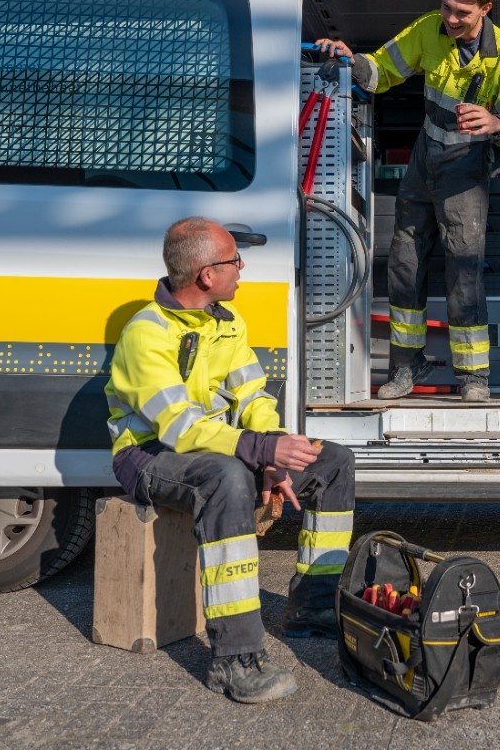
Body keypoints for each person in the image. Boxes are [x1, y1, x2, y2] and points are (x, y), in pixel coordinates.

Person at [105, 217, 355, 704]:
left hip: (217, 449)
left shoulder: (227, 322)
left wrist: (274, 452)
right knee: (226, 479)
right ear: (205, 275)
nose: (242, 269)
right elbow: (178, 430)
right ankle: (234, 659)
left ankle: (314, 607)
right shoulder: (146, 335)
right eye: (233, 261)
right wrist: (257, 452)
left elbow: (252, 395)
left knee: (333, 462)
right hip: (148, 455)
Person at [315, 0, 500, 403]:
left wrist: (497, 121)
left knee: (463, 268)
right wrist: (350, 59)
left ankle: (473, 377)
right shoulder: (427, 29)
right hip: (425, 160)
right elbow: (380, 72)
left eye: (462, 12)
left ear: (486, 9)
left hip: (467, 166)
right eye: (446, 7)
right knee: (404, 262)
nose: (450, 19)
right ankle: (406, 366)